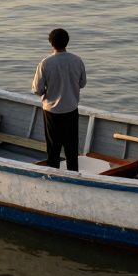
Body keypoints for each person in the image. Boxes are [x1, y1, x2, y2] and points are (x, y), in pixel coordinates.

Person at [31, 28, 86, 171]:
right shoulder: (77, 60)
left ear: (51, 43)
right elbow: (82, 83)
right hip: (71, 109)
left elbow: (37, 89)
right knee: (71, 148)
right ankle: (73, 174)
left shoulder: (45, 63)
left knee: (53, 148)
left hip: (52, 112)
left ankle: (54, 175)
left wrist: (46, 93)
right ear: (67, 42)